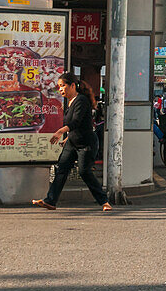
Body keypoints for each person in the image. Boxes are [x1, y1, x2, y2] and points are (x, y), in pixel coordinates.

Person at [33, 73, 112, 211]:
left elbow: (76, 122)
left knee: (84, 171)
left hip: (86, 143)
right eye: (59, 87)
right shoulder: (70, 102)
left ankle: (104, 202)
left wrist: (60, 132)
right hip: (72, 143)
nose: (61, 89)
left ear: (73, 86)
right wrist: (67, 138)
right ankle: (51, 201)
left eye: (63, 86)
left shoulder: (81, 101)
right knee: (61, 169)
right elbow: (76, 125)